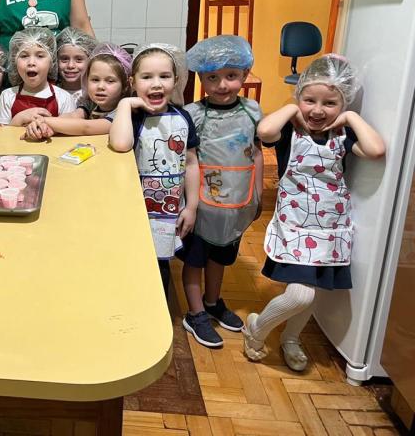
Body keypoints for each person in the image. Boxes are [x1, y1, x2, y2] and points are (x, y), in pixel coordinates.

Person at [244, 55, 385, 371]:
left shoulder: (342, 137)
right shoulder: (290, 135)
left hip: (329, 230)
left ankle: (291, 338)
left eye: (330, 103)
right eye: (310, 100)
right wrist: (292, 108)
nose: (318, 110)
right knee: (301, 296)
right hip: (294, 227)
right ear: (299, 98)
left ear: (342, 104)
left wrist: (350, 118)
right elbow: (265, 130)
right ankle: (257, 328)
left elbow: (376, 150)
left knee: (314, 294)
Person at [177, 36, 263, 348]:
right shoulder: (193, 114)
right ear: (200, 77)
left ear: (245, 74)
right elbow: (187, 161)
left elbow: (255, 154)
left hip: (236, 205)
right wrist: (188, 205)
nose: (222, 85)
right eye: (212, 77)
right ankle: (196, 312)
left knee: (221, 258)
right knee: (196, 259)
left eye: (231, 76)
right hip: (202, 206)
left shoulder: (253, 112)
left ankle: (213, 302)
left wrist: (257, 195)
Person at [109, 44, 200, 295]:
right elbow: (120, 143)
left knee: (160, 269)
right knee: (132, 264)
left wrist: (191, 206)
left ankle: (160, 322)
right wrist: (126, 104)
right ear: (133, 82)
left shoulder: (184, 118)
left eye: (164, 76)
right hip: (132, 210)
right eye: (147, 77)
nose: (156, 84)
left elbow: (191, 163)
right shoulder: (131, 117)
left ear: (177, 80)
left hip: (168, 210)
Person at [22, 42, 131, 140]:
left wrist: (46, 121)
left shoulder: (123, 111)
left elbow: (86, 127)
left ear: (125, 85)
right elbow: (73, 116)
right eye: (95, 80)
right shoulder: (91, 104)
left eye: (110, 81)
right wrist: (44, 127)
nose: (100, 86)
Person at [0, 27, 76, 126]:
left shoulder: (64, 98)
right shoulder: (7, 96)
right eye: (24, 56)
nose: (31, 62)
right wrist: (19, 118)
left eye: (40, 56)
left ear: (52, 62)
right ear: (14, 62)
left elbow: (70, 134)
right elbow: (2, 137)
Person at [56, 27, 97, 102]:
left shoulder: (96, 95)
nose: (70, 65)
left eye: (79, 59)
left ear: (90, 60)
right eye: (64, 59)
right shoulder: (50, 93)